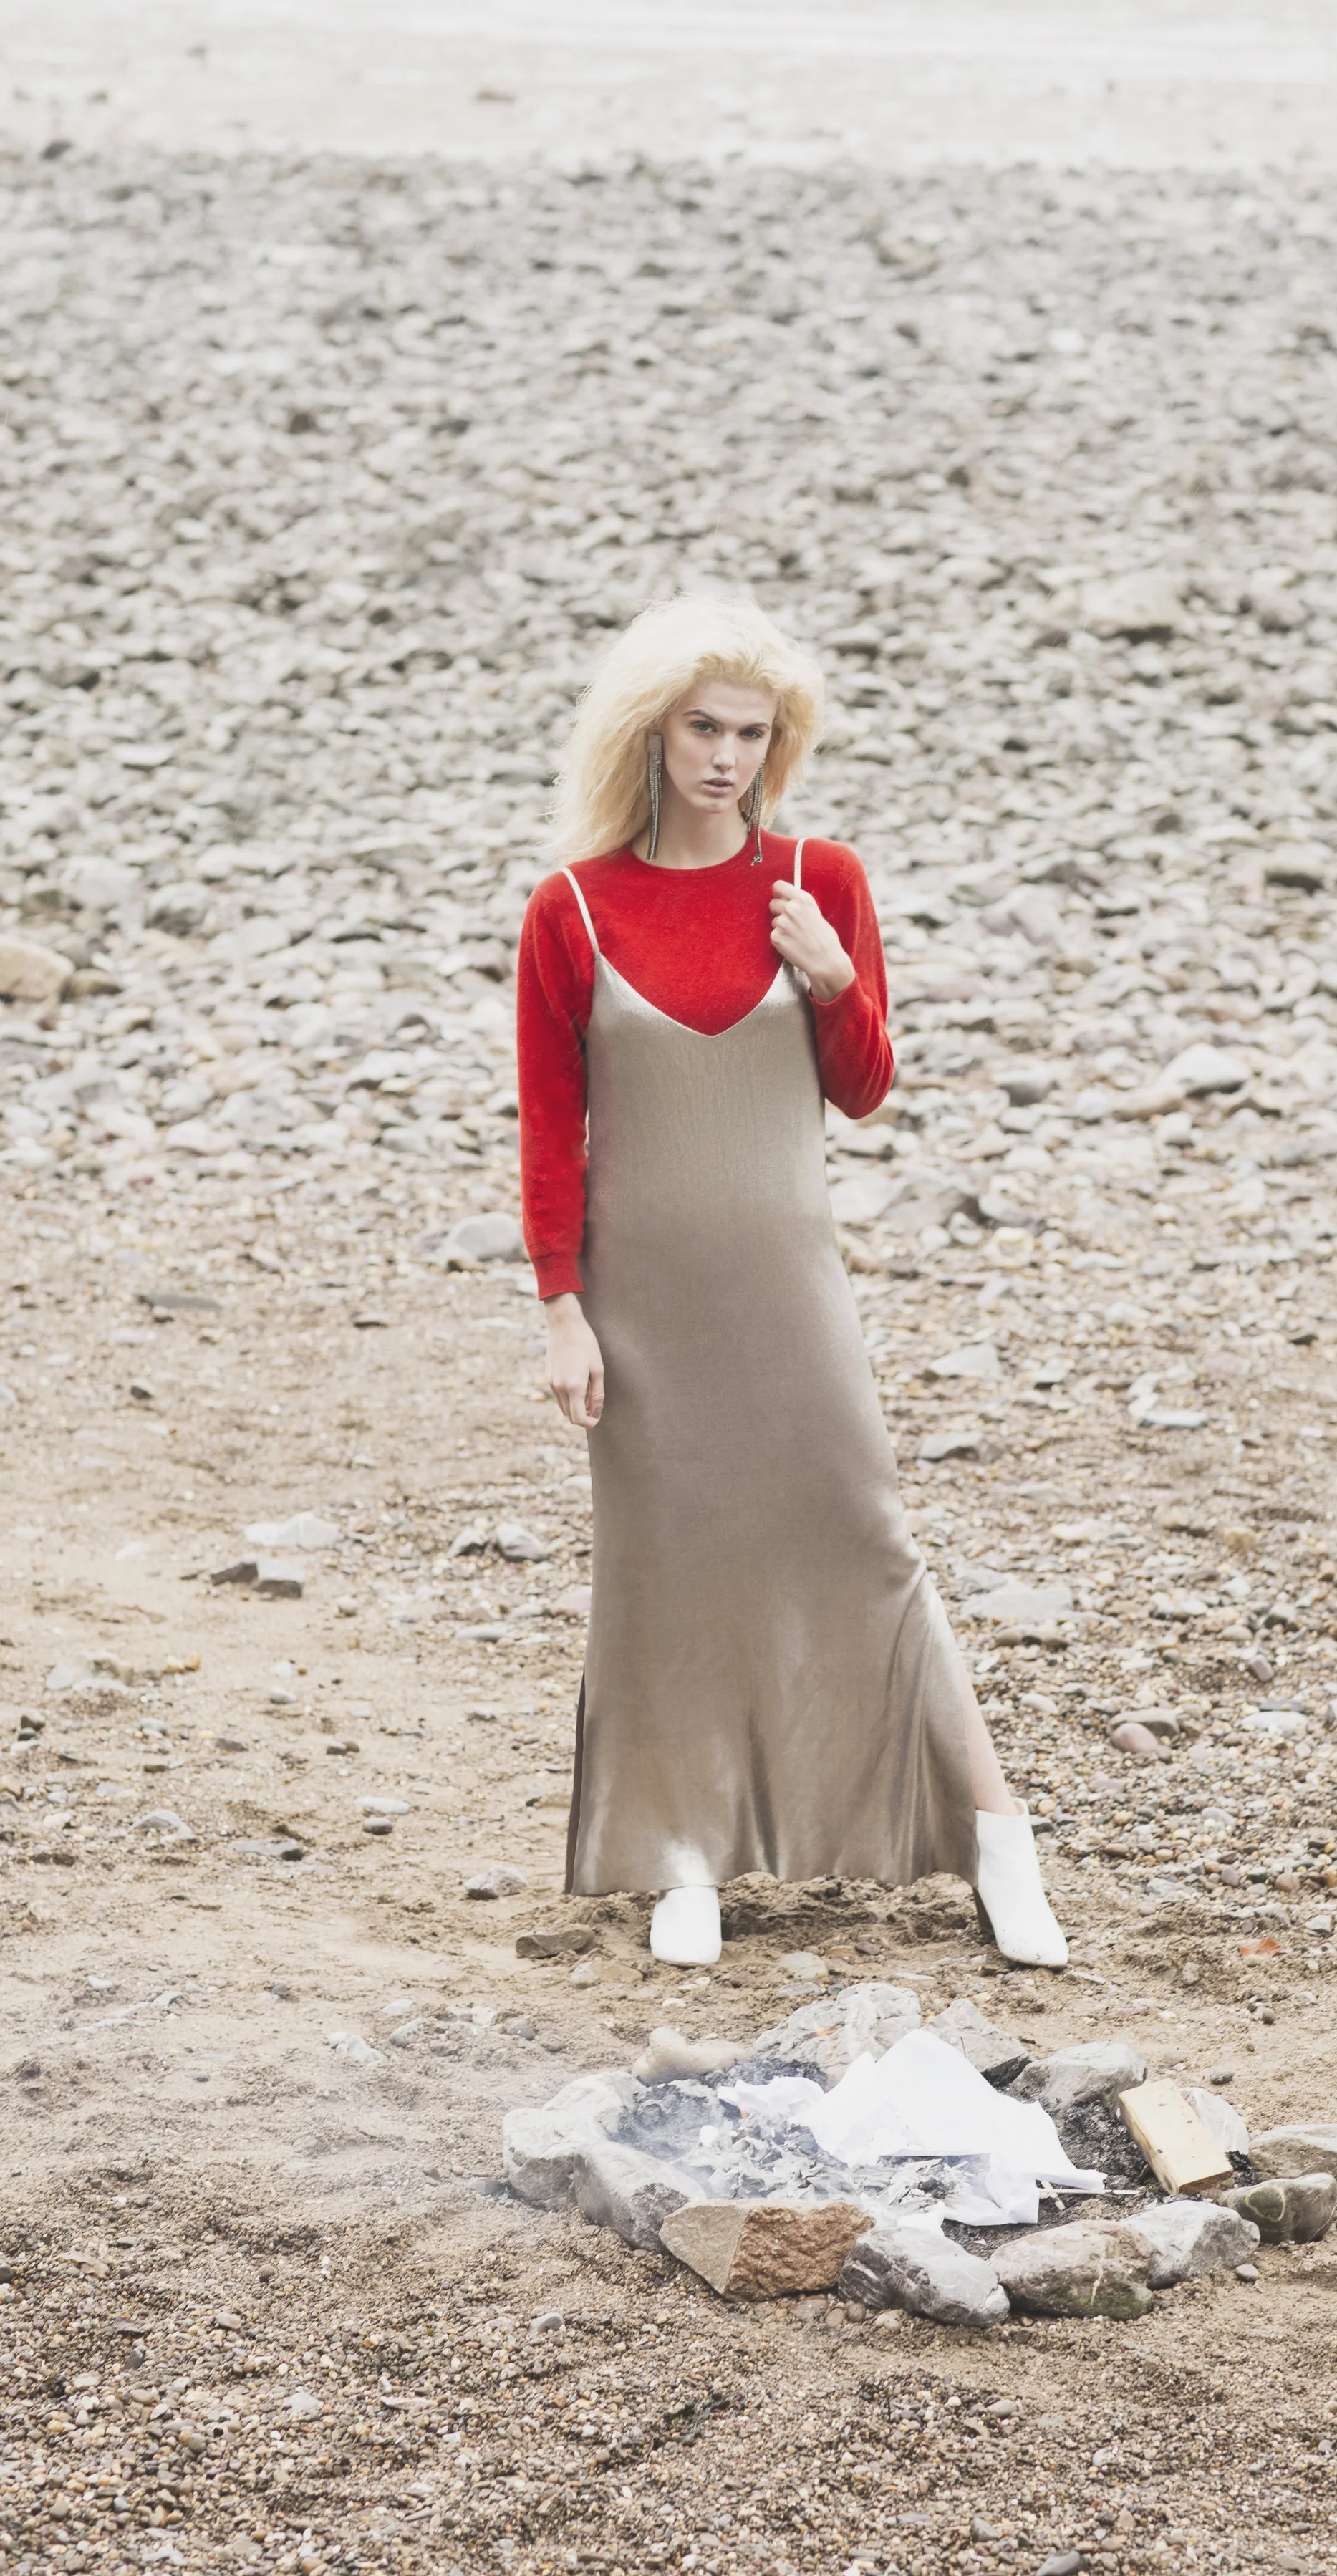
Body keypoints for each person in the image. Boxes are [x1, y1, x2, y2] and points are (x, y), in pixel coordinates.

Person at [515, 592, 1067, 1973]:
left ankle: (998, 1837)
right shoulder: (571, 906)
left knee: (867, 1535)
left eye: (752, 734)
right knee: (669, 1558)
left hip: (790, 1284)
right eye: (703, 728)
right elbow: (548, 1127)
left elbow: (867, 1089)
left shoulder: (822, 878)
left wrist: (829, 977)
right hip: (640, 1299)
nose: (726, 758)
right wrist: (561, 1308)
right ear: (651, 733)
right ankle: (685, 1854)